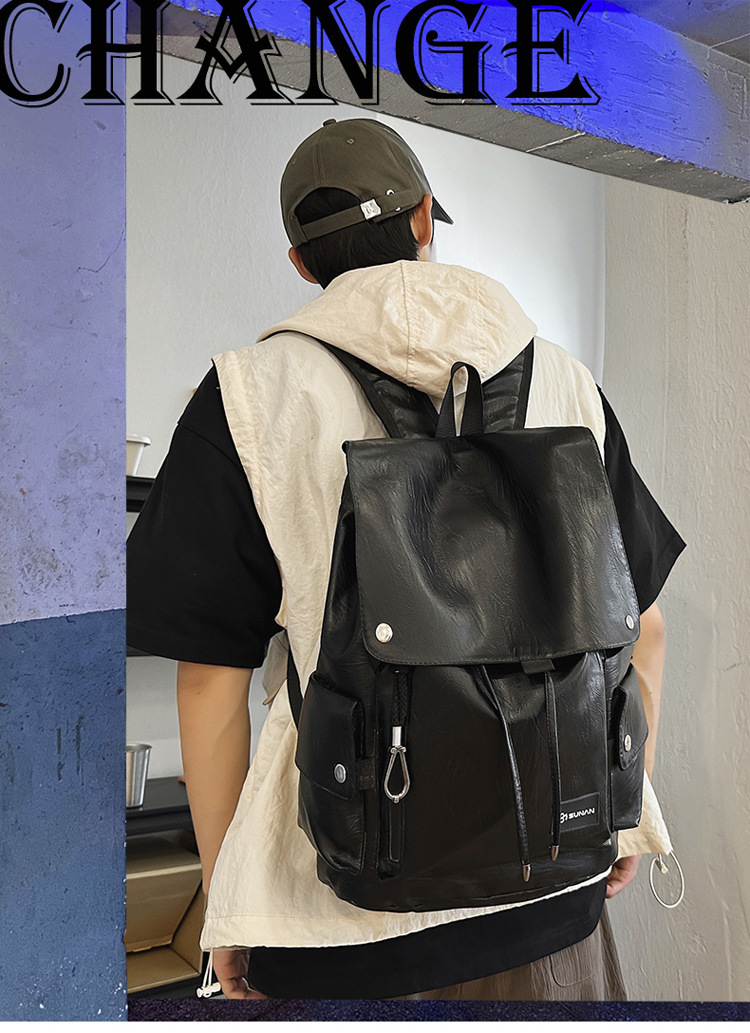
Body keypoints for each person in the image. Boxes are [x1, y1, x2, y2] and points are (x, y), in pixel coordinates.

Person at [127, 117, 685, 1001]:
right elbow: (641, 629)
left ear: (300, 263)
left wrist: (231, 908)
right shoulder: (567, 380)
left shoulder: (244, 396)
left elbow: (208, 684)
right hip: (550, 885)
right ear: (425, 217)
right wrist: (620, 806)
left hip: (340, 914)